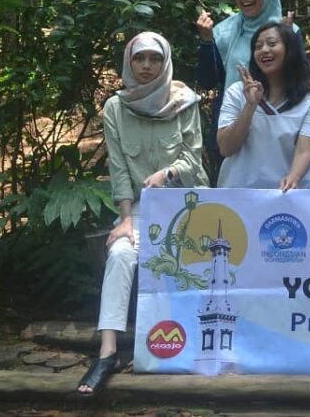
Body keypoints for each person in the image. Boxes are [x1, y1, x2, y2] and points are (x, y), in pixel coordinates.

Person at [77, 32, 205, 395]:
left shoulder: (184, 101)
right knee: (120, 253)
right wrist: (126, 220)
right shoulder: (116, 108)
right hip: (141, 211)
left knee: (185, 258)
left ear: (165, 62)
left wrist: (169, 172)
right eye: (140, 58)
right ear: (129, 62)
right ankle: (108, 353)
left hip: (185, 208)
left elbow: (194, 160)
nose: (147, 66)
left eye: (154, 58)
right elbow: (119, 170)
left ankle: (186, 345)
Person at [196, 0, 297, 173]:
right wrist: (207, 40)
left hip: (276, 118)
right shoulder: (224, 31)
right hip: (232, 117)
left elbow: (298, 78)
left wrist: (289, 45)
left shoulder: (288, 30)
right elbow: (208, 80)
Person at [216, 22, 310, 190]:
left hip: (289, 194)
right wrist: (250, 106)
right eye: (258, 47)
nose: (264, 50)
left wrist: (294, 177)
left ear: (290, 50)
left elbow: (304, 150)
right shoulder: (237, 93)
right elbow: (226, 148)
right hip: (240, 193)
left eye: (272, 44)